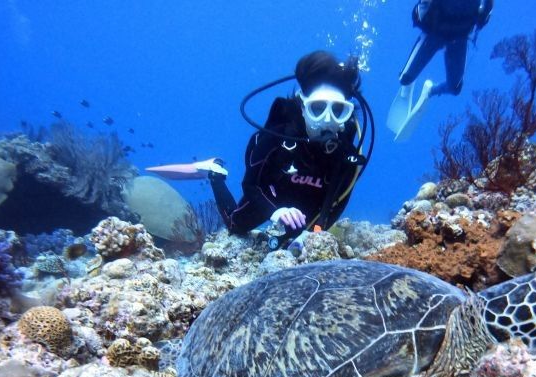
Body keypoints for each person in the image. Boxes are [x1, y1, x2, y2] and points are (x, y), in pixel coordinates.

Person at [148, 51, 371, 250]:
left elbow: (338, 199)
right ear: (303, 105)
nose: (327, 120)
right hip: (270, 183)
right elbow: (252, 184)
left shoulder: (347, 153)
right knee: (236, 226)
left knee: (292, 244)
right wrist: (275, 212)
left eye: (339, 110)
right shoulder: (277, 135)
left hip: (309, 195)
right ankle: (214, 173)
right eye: (318, 108)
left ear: (348, 112)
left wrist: (315, 234)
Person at [387, 0, 493, 141]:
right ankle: (408, 86)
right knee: (404, 79)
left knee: (454, 88)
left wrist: (482, 16)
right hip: (434, 33)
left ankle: (429, 91)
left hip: (458, 38)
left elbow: (487, 7)